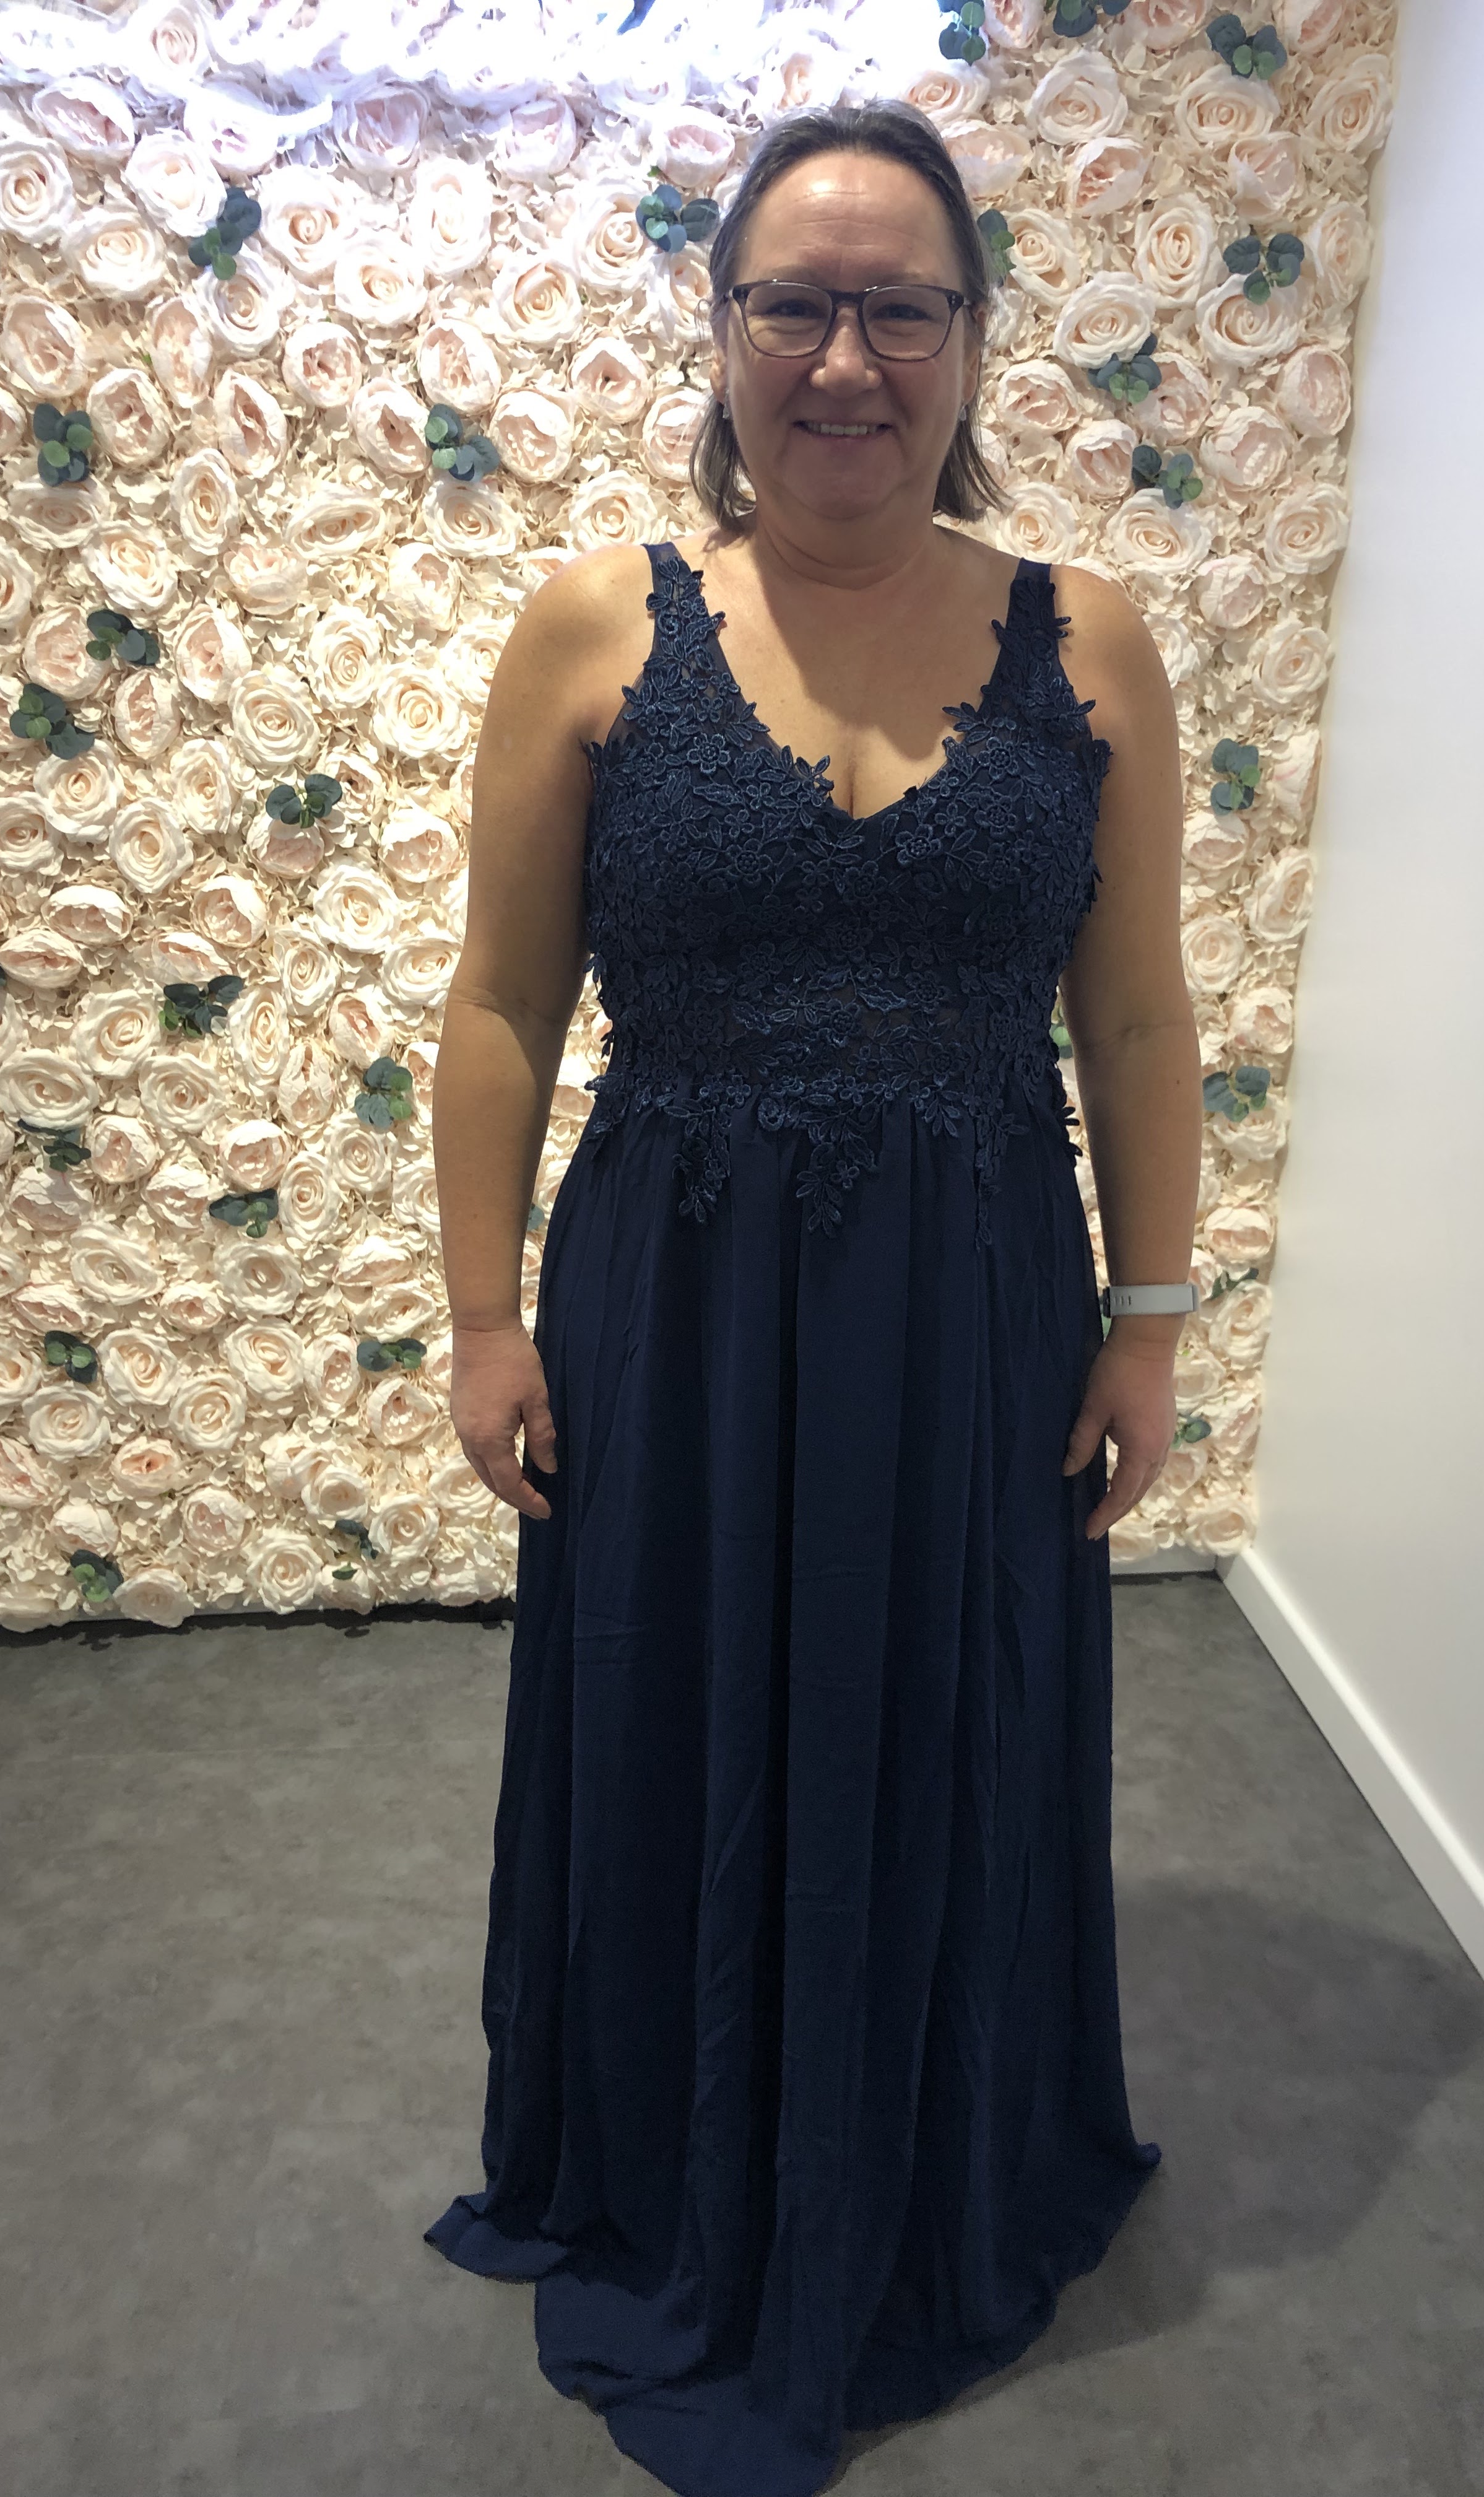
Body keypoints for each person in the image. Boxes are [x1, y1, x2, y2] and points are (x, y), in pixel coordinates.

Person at [423, 96, 1202, 2497]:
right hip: (672, 1302)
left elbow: (1139, 1020)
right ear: (724, 330)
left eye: (900, 309)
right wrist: (485, 1316)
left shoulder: (1092, 640)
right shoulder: (595, 624)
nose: (846, 359)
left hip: (977, 1301)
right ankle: (678, 2164)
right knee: (676, 1705)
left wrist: (1154, 1316)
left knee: (948, 1713)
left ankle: (918, 2165)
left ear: (972, 341)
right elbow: (500, 1004)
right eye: (796, 305)